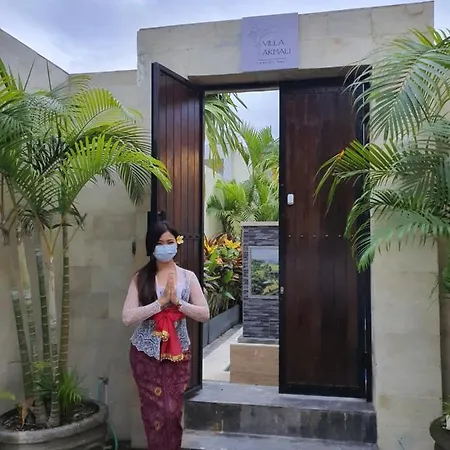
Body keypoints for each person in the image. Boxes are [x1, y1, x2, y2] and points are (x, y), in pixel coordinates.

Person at [122, 220, 210, 450]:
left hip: (178, 353)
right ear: (151, 247)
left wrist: (178, 303)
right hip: (145, 353)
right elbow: (127, 317)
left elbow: (204, 313)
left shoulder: (188, 277)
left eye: (169, 242)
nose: (165, 247)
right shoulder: (141, 278)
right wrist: (160, 303)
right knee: (154, 413)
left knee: (172, 410)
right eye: (159, 243)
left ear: (177, 243)